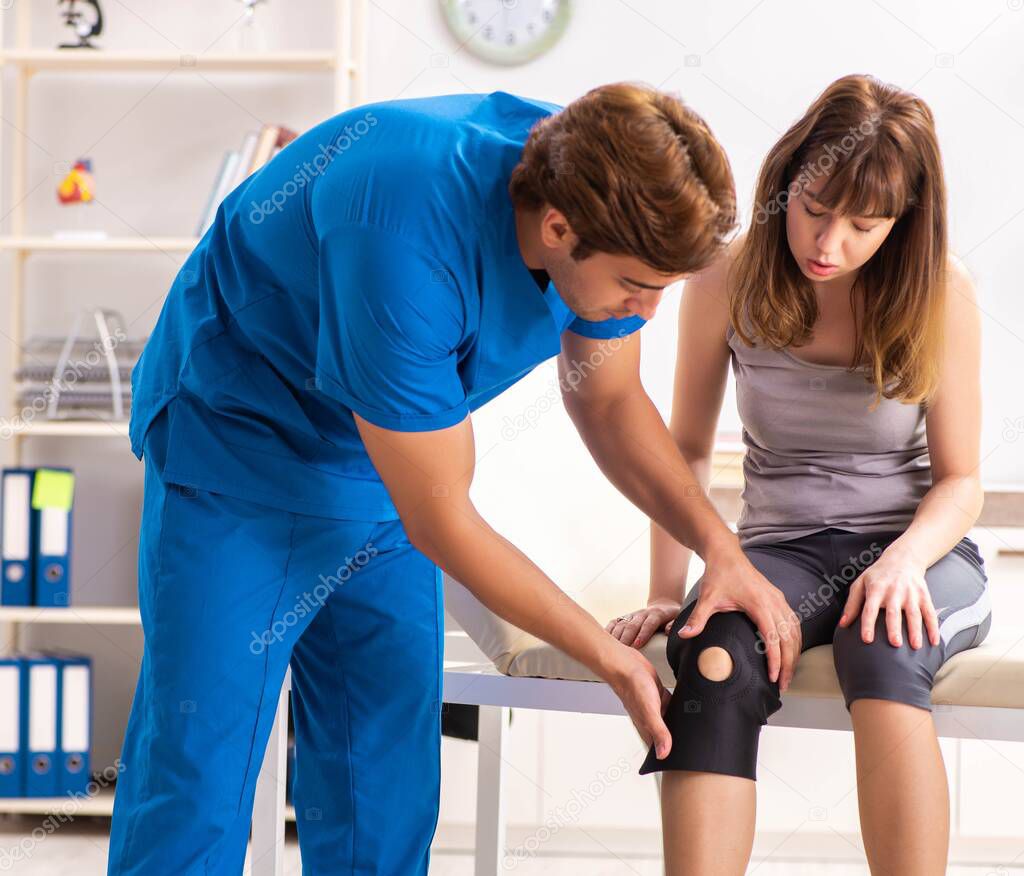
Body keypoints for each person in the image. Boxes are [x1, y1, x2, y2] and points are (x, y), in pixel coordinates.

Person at [104, 83, 768, 875]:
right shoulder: (402, 227)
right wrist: (608, 655)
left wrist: (719, 550)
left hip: (382, 465)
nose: (648, 313)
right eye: (637, 286)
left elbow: (611, 397)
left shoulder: (604, 192)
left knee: (382, 780)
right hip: (237, 449)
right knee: (200, 770)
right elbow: (444, 521)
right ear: (558, 229)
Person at [609, 74, 991, 875]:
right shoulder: (726, 278)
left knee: (881, 640)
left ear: (903, 224)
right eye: (814, 210)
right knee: (710, 653)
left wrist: (901, 561)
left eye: (863, 225)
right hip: (778, 551)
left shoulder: (942, 292)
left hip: (916, 553)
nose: (828, 244)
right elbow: (682, 451)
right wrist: (664, 588)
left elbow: (961, 482)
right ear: (786, 182)